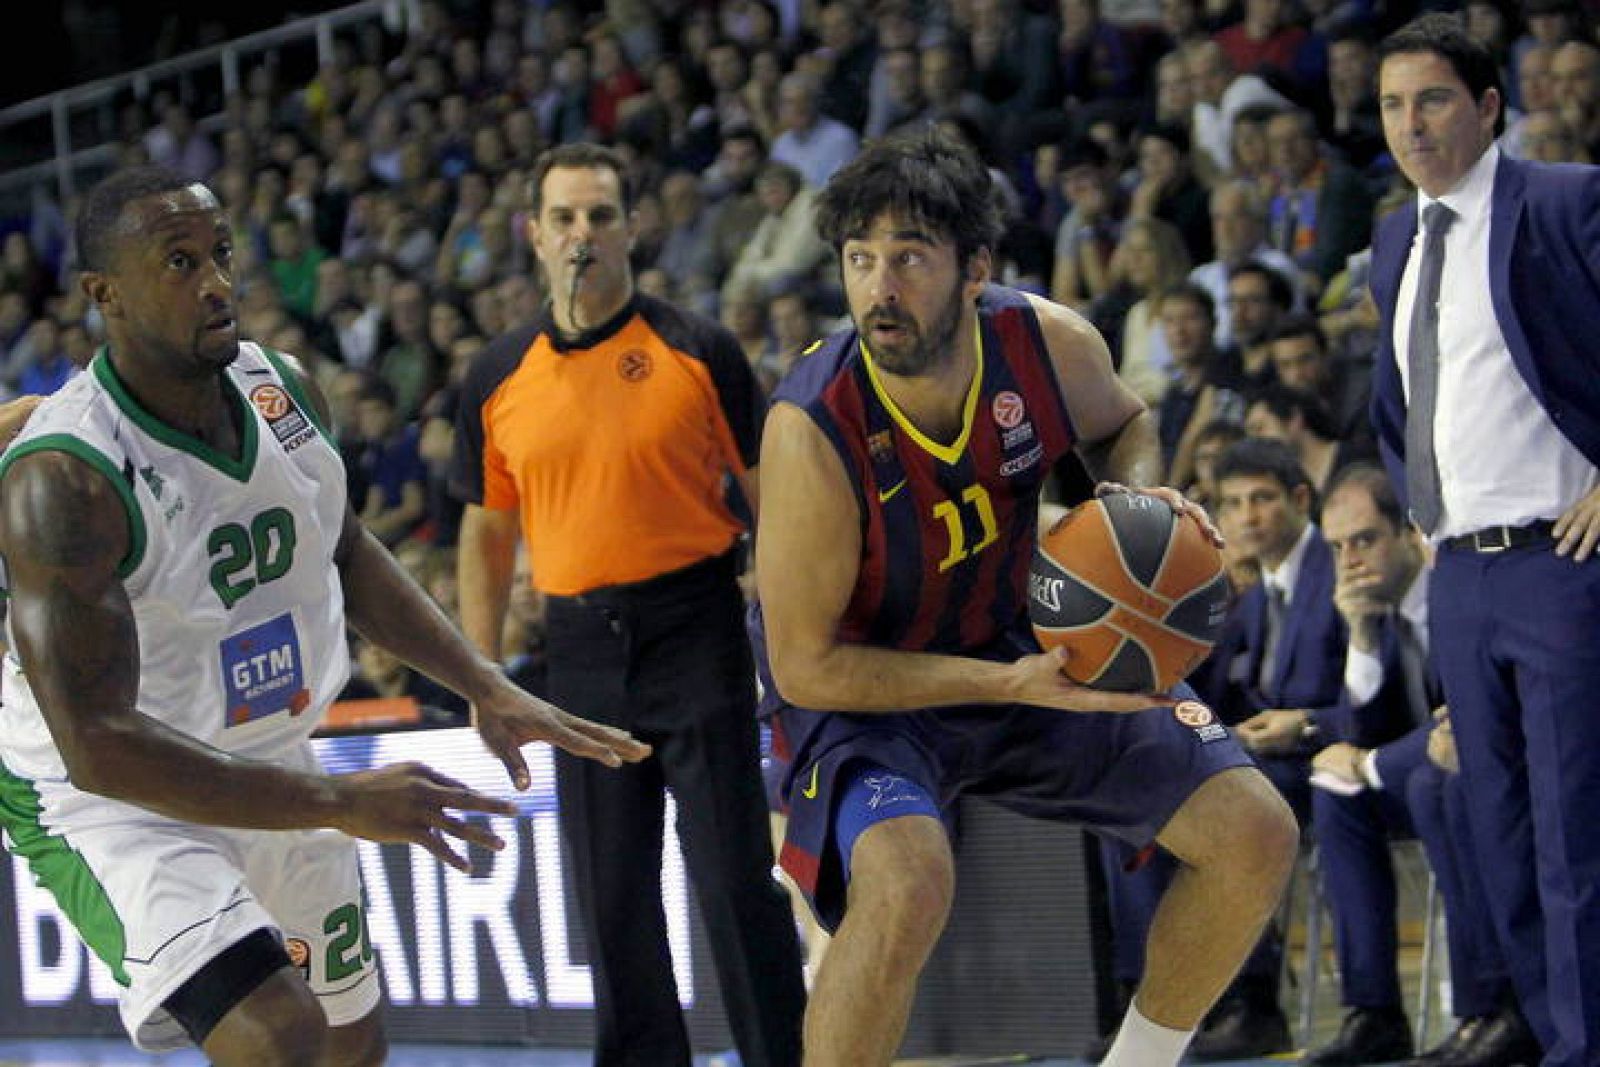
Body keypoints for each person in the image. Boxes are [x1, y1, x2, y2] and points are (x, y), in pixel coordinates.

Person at [0, 165, 649, 1066]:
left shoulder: (283, 387)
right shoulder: (65, 475)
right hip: (109, 798)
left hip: (263, 751)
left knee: (353, 1043)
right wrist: (344, 800)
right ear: (103, 293)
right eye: (180, 262)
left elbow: (342, 545)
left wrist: (481, 680)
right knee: (281, 1036)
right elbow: (96, 744)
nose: (216, 282)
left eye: (221, 253)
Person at [752, 127, 1297, 1067]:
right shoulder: (810, 428)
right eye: (860, 259)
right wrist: (1004, 685)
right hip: (867, 693)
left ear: (975, 269)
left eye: (910, 257)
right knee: (908, 882)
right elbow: (806, 666)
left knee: (1255, 831)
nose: (880, 288)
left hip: (1020, 639)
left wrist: (1134, 507)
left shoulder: (1044, 343)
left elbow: (1127, 421)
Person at [450, 143, 806, 1067]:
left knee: (733, 879)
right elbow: (486, 536)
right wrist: (481, 675)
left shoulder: (699, 348)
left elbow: (774, 499)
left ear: (633, 228)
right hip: (577, 651)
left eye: (601, 216)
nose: (584, 235)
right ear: (534, 235)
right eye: (564, 218)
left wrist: (794, 626)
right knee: (612, 900)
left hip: (697, 629)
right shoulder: (496, 375)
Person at [1370, 14, 1600, 1064]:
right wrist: (1420, 509)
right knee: (1498, 832)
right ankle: (1554, 1036)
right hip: (1457, 575)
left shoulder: (1562, 199)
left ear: (1488, 106)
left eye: (1432, 100)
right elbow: (1396, 400)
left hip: (1561, 563)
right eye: (1391, 105)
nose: (1410, 125)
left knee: (1571, 836)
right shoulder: (1393, 242)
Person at [1304, 463, 1539, 1066]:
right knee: (1335, 792)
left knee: (1437, 786)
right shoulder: (1375, 611)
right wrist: (1360, 637)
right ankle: (1374, 1013)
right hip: (1423, 773)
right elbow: (1356, 736)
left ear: (1410, 533)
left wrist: (1370, 762)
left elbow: (1463, 720)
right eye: (1336, 547)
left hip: (1500, 770)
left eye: (1364, 540)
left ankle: (1492, 1007)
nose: (1350, 561)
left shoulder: (1453, 596)